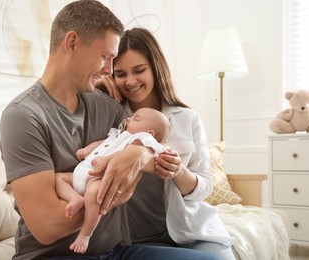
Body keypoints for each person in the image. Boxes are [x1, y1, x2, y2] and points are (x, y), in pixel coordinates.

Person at [0, 1, 221, 259]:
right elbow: (47, 227)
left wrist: (140, 155)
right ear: (72, 43)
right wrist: (114, 195)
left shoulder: (108, 108)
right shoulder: (23, 116)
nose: (109, 70)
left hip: (116, 252)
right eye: (105, 57)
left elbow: (144, 137)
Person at [101, 27, 236, 260]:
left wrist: (178, 171)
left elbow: (204, 188)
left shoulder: (187, 119)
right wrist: (97, 88)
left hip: (189, 233)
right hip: (131, 239)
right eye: (120, 74)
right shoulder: (108, 118)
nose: (130, 81)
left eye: (139, 70)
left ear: (155, 68)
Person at [55, 107, 170, 254]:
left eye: (136, 119)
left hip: (97, 176)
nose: (128, 118)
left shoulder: (140, 140)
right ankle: (75, 198)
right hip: (82, 170)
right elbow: (101, 143)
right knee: (59, 178)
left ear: (149, 133)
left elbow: (159, 150)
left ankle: (85, 234)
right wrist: (88, 149)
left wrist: (105, 160)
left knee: (95, 195)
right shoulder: (118, 133)